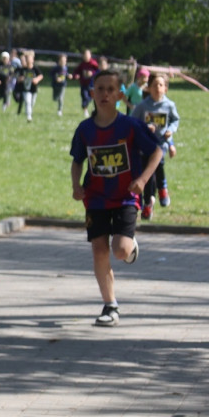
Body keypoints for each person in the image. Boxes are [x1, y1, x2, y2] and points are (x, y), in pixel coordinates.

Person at [69, 71, 161, 327]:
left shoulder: (129, 126)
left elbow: (156, 152)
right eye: (100, 89)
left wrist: (142, 180)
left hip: (125, 198)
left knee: (120, 250)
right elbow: (77, 161)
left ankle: (131, 247)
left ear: (120, 95)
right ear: (92, 93)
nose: (105, 94)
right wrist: (76, 185)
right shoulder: (85, 129)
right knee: (99, 250)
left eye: (111, 89)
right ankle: (110, 305)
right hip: (95, 198)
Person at [129, 72, 180, 218]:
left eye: (161, 85)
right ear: (149, 88)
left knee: (159, 166)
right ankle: (148, 203)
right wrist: (145, 127)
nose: (158, 88)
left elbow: (175, 121)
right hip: (145, 146)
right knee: (147, 174)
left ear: (166, 88)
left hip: (161, 144)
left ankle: (162, 189)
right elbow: (133, 122)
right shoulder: (142, 106)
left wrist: (170, 132)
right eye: (154, 85)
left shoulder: (169, 105)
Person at [14, 50, 43, 122]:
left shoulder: (35, 68)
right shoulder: (22, 69)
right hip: (25, 89)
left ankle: (29, 112)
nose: (28, 60)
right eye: (26, 59)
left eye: (29, 58)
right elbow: (18, 78)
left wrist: (36, 79)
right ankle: (29, 117)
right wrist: (21, 79)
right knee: (27, 101)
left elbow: (41, 76)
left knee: (32, 103)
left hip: (34, 89)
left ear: (33, 59)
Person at [74, 49, 100, 117]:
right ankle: (85, 110)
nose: (86, 56)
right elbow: (77, 71)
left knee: (91, 97)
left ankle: (93, 109)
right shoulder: (82, 64)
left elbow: (98, 71)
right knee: (84, 96)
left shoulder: (93, 63)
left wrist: (92, 73)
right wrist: (76, 75)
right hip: (83, 84)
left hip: (92, 84)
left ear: (90, 55)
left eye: (88, 55)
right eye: (85, 55)